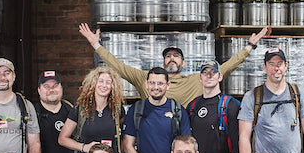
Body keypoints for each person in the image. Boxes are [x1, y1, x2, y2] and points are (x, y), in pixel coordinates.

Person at [78, 23, 269, 106]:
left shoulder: (197, 80)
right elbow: (118, 66)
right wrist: (96, 44)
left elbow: (227, 67)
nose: (171, 58)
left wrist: (250, 46)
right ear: (163, 61)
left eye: (176, 56)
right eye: (168, 56)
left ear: (183, 63)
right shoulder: (148, 79)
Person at [58, 66, 126, 153]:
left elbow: (121, 137)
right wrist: (84, 147)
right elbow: (62, 139)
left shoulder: (117, 109)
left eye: (108, 82)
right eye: (101, 81)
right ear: (93, 83)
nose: (104, 85)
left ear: (113, 87)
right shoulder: (80, 109)